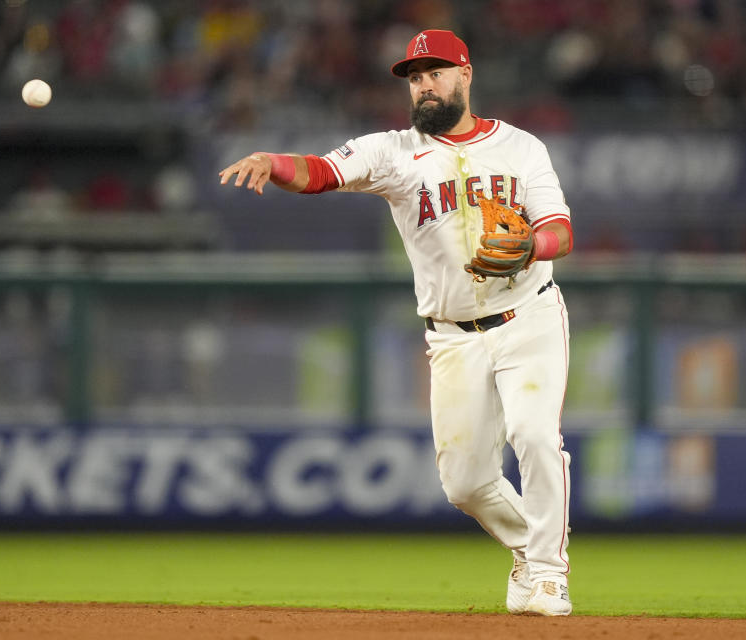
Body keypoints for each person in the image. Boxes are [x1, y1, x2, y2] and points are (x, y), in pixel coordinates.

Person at [219, 29, 574, 616]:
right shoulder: (392, 151)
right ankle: (525, 549)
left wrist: (533, 245)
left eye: (435, 72)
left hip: (528, 313)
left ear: (465, 74)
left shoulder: (522, 148)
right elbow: (320, 172)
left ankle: (548, 574)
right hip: (452, 333)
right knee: (464, 485)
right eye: (414, 77)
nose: (424, 85)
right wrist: (272, 162)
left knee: (535, 435)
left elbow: (560, 230)